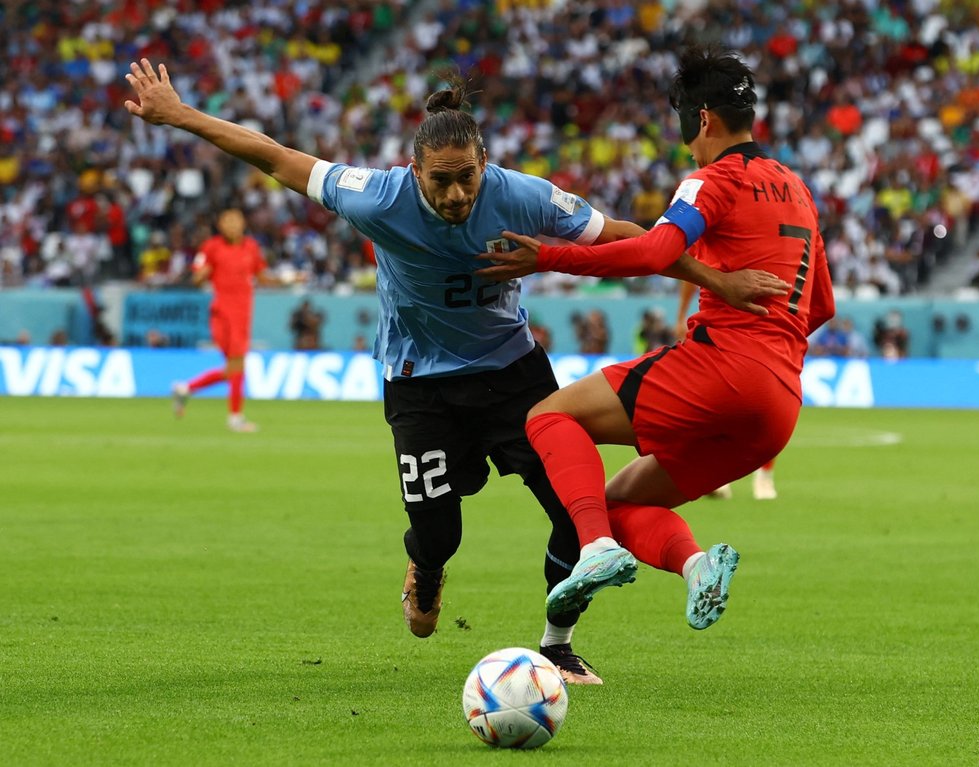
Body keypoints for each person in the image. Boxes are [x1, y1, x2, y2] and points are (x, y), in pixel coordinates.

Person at [124, 58, 786, 683]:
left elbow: (621, 235)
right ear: (413, 171)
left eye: (467, 175)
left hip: (512, 373)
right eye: (440, 179)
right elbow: (275, 156)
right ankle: (427, 566)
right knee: (441, 531)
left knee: (574, 513)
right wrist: (181, 116)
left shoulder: (521, 196)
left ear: (484, 163)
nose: (456, 192)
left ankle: (558, 647)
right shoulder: (375, 198)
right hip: (420, 383)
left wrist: (708, 277)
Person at [477, 47, 834, 630]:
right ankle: (698, 568)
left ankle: (592, 548)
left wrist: (547, 257)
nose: (686, 145)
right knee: (619, 504)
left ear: (701, 120)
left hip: (721, 369)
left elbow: (654, 251)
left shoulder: (710, 180)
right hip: (778, 406)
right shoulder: (798, 191)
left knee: (547, 419)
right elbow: (821, 306)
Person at [171, 208, 280, 433]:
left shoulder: (251, 247)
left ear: (242, 224)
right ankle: (234, 417)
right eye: (227, 221)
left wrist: (287, 278)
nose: (232, 225)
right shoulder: (211, 247)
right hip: (222, 313)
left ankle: (186, 388)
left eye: (235, 221)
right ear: (220, 225)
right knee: (236, 366)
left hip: (243, 314)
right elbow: (197, 277)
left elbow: (262, 277)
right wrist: (202, 274)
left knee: (235, 367)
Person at [676, 280, 780, 501]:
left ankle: (763, 475)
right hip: (729, 333)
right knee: (745, 406)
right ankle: (722, 476)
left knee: (748, 406)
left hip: (756, 332)